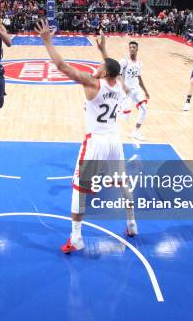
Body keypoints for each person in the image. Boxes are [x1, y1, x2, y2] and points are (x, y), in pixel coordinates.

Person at [35, 19, 137, 254]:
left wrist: (47, 42)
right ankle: (132, 224)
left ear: (103, 73)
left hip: (96, 143)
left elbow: (63, 67)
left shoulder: (93, 84)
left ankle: (76, 237)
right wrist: (103, 51)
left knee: (79, 190)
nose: (97, 68)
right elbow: (113, 69)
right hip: (115, 141)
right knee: (123, 184)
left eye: (100, 67)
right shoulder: (118, 85)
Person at [97, 33, 150, 140]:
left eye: (134, 47)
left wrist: (145, 91)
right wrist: (124, 85)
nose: (131, 49)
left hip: (136, 90)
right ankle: (107, 128)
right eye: (130, 47)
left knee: (144, 110)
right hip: (126, 91)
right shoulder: (124, 61)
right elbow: (117, 74)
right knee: (124, 116)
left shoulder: (139, 63)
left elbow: (139, 78)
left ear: (137, 49)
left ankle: (136, 132)